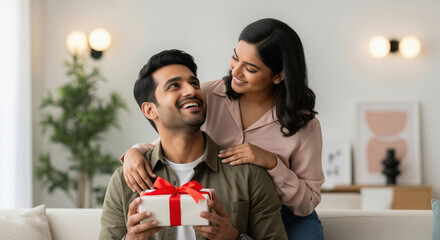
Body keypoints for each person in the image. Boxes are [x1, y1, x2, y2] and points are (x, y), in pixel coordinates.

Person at [122, 18, 324, 239]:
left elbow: (306, 204)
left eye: (251, 68)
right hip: (229, 207)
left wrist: (272, 163)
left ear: (279, 75)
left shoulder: (304, 124)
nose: (236, 72)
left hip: (288, 214)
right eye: (236, 58)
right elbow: (174, 138)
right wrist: (135, 152)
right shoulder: (207, 94)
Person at [99, 49, 287, 240]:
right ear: (150, 110)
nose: (191, 91)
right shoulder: (123, 181)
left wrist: (234, 237)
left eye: (194, 83)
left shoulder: (249, 174)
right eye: (174, 86)